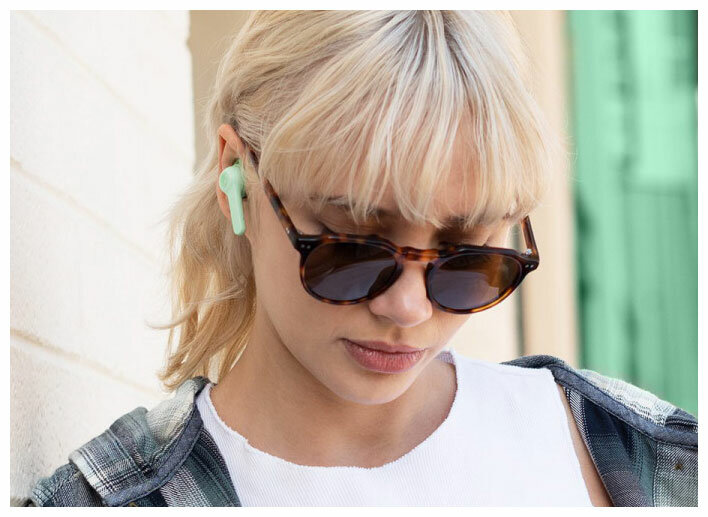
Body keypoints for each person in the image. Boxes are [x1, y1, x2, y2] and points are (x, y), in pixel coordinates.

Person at [24, 10, 697, 507]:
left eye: (465, 259)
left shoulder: (637, 455)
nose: (407, 307)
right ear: (237, 178)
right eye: (350, 246)